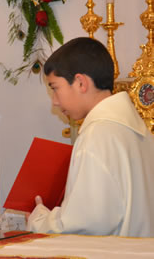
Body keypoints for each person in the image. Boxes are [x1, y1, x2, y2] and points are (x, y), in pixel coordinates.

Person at [27, 37, 154, 237]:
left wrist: (39, 219)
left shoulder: (98, 134)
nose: (55, 102)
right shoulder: (139, 130)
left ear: (80, 83)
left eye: (55, 88)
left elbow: (86, 223)